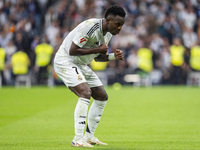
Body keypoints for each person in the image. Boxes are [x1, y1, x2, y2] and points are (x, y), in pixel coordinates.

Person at [54, 5, 126, 148]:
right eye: (117, 24)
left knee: (101, 96)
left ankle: (89, 137)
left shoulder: (108, 33)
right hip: (66, 61)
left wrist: (113, 57)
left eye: (121, 25)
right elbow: (72, 50)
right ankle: (78, 139)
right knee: (85, 92)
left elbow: (98, 57)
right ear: (108, 20)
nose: (119, 28)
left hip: (80, 64)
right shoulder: (90, 26)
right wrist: (98, 49)